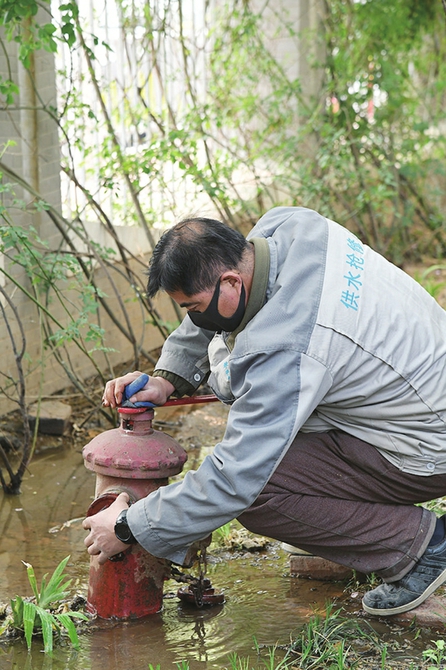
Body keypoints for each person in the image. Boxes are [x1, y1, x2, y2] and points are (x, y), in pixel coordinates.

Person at [83, 206, 446, 617]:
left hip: (429, 448)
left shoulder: (286, 347)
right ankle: (348, 531)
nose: (193, 316)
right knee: (273, 441)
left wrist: (129, 526)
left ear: (232, 281)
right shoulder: (287, 227)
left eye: (192, 306)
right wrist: (169, 377)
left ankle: (422, 548)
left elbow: (237, 476)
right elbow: (212, 313)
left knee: (258, 493)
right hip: (423, 392)